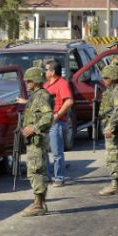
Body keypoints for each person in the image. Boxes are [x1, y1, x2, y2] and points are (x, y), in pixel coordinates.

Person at [15, 67, 54, 216]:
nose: (26, 83)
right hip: (35, 140)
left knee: (35, 170)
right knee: (38, 169)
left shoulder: (40, 96)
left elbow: (48, 116)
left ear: (36, 81)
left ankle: (38, 204)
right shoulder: (37, 96)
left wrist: (34, 128)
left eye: (29, 80)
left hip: (37, 140)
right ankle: (40, 203)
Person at [98, 65, 118, 196]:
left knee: (113, 155)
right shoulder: (110, 91)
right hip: (111, 126)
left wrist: (111, 127)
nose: (104, 80)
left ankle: (115, 185)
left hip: (114, 128)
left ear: (113, 78)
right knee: (113, 154)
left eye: (106, 78)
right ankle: (116, 183)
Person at [43, 59, 73, 187]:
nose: (44, 72)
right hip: (44, 122)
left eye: (46, 69)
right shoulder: (46, 85)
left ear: (53, 72)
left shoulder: (62, 84)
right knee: (43, 152)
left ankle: (59, 178)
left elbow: (69, 101)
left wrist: (58, 115)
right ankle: (47, 176)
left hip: (56, 123)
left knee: (57, 152)